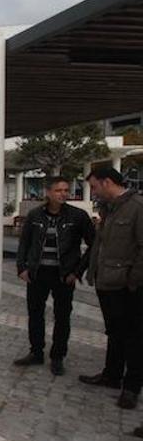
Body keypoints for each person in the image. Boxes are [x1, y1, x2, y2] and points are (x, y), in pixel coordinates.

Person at [13, 177, 95, 376]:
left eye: (66, 190)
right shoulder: (34, 216)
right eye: (58, 190)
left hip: (63, 275)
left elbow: (94, 245)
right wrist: (22, 268)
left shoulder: (78, 216)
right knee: (35, 314)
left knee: (62, 316)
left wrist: (77, 272)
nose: (63, 194)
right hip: (37, 274)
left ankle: (57, 356)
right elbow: (25, 244)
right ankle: (36, 352)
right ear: (48, 192)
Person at [79, 167, 143, 411]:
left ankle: (132, 386)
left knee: (134, 337)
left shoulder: (137, 207)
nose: (93, 192)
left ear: (106, 183)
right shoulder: (109, 209)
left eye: (94, 186)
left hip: (127, 286)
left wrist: (133, 280)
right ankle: (112, 374)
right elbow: (100, 245)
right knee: (114, 331)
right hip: (107, 281)